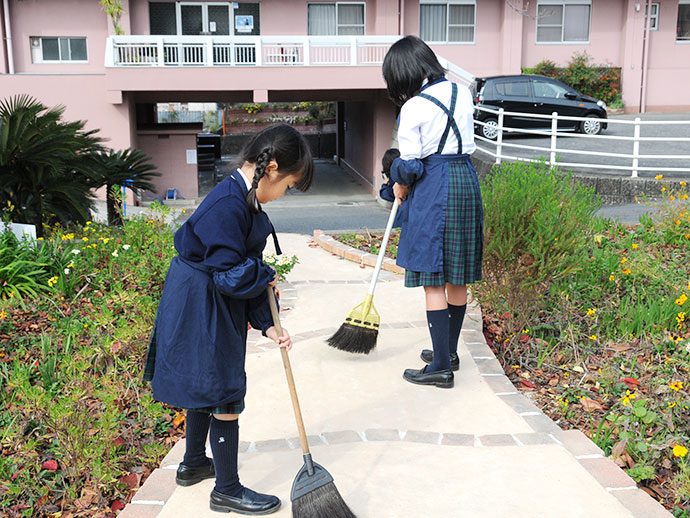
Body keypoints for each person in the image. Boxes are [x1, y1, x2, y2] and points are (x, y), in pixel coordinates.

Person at [143, 124, 314, 514]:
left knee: (208, 379)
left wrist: (268, 323)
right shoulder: (228, 204)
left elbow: (238, 269)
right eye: (288, 184)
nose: (285, 193)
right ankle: (227, 489)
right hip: (202, 300)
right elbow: (230, 275)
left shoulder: (243, 196)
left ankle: (193, 464)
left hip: (204, 295)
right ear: (270, 168)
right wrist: (265, 275)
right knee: (223, 388)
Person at [382, 35, 483, 389]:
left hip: (435, 185)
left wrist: (398, 182)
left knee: (434, 277)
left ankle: (441, 366)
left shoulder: (414, 107)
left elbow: (409, 167)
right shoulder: (462, 92)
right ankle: (448, 352)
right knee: (458, 275)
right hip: (466, 180)